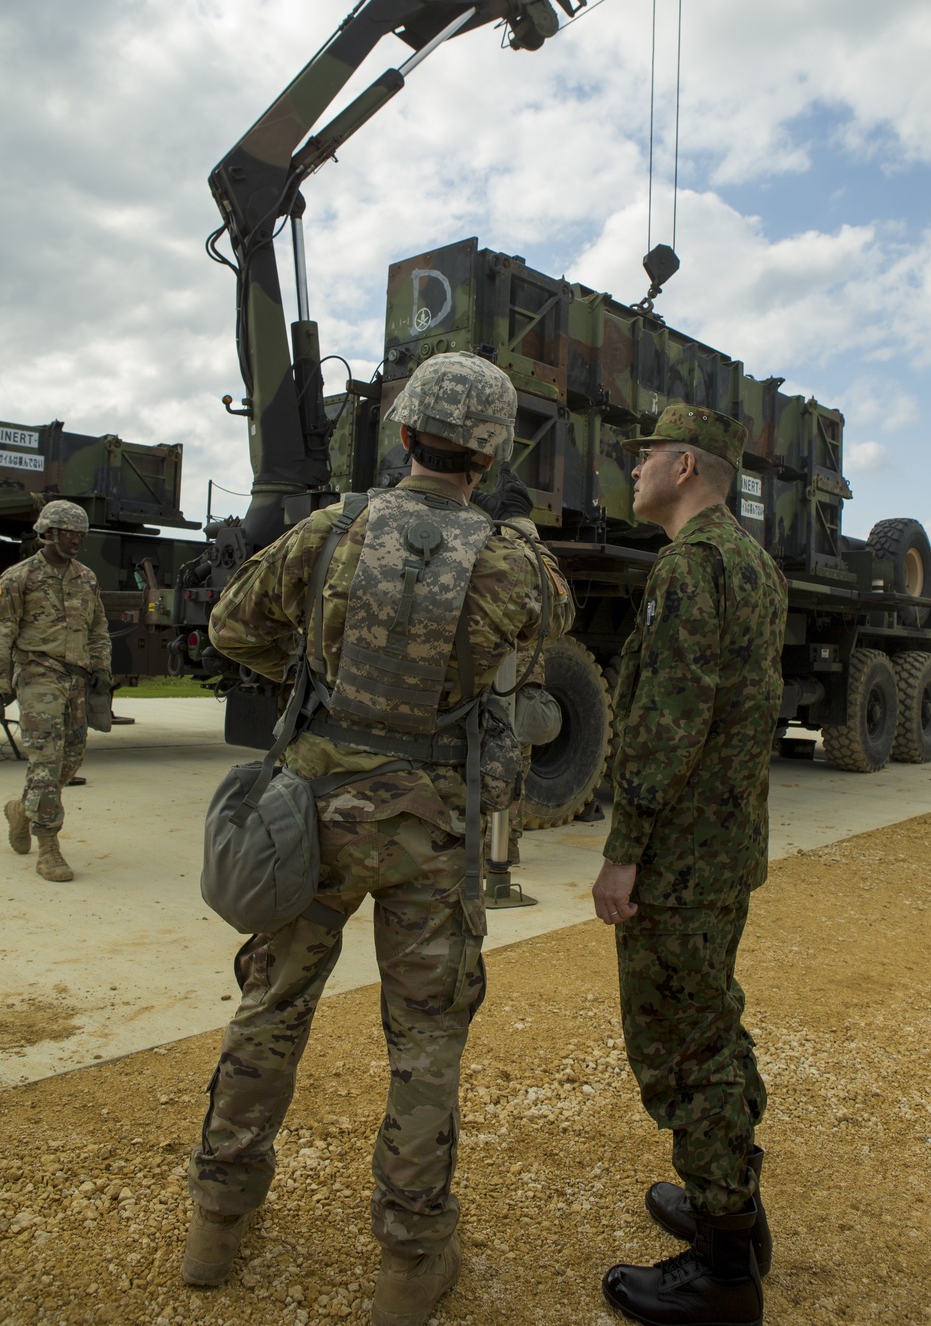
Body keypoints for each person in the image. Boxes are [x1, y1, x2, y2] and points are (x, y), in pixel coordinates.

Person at [182, 353, 573, 1326]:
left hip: (308, 807)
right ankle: (408, 1263)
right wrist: (513, 526)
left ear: (402, 434)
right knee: (426, 1043)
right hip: (429, 824)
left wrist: (313, 674)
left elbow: (232, 627)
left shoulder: (333, 528)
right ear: (489, 454)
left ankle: (217, 1225)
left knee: (270, 1009)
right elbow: (553, 626)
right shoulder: (510, 554)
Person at [591, 404, 787, 1326]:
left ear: (682, 469)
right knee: (716, 1022)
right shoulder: (753, 564)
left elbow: (669, 725)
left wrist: (622, 855)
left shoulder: (689, 567)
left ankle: (721, 1271)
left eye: (643, 459)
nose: (632, 472)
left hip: (678, 863)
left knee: (683, 1049)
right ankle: (738, 1221)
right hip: (725, 850)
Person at [0, 500, 111, 884]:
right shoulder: (19, 577)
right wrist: (1, 683)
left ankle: (21, 809)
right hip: (37, 675)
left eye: (80, 534)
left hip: (76, 679)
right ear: (48, 532)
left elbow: (98, 629)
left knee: (71, 759)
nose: (75, 540)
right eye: (68, 533)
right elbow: (3, 632)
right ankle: (48, 847)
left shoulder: (86, 578)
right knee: (46, 760)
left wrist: (101, 670)